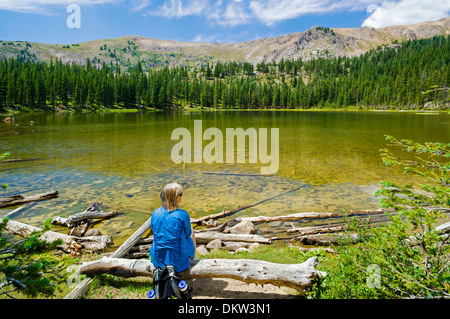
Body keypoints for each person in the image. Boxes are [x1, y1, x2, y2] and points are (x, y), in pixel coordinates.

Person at [149, 183, 196, 273]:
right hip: (178, 263)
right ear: (174, 198)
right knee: (192, 232)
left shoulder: (155, 213)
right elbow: (187, 234)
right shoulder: (182, 214)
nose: (182, 196)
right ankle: (191, 260)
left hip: (158, 261)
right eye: (180, 194)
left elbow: (153, 229)